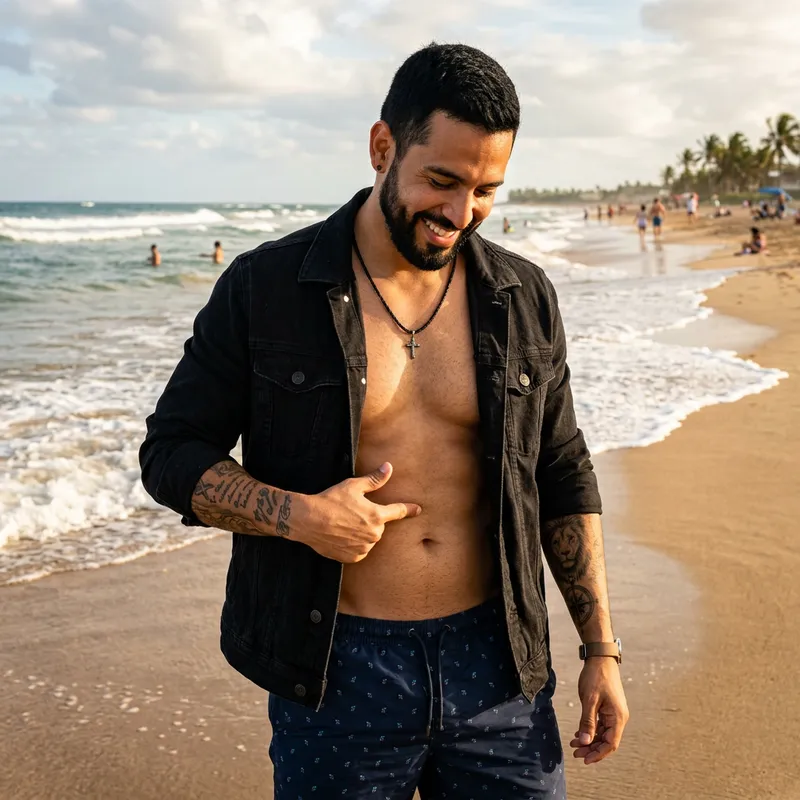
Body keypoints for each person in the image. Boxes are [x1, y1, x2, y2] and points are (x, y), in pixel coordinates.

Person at [140, 43, 628, 799]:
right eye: (441, 181)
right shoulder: (267, 289)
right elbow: (170, 453)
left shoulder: (521, 296)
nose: (459, 215)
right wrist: (297, 516)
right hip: (338, 665)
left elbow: (563, 472)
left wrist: (601, 649)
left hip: (498, 664)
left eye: (486, 190)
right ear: (381, 147)